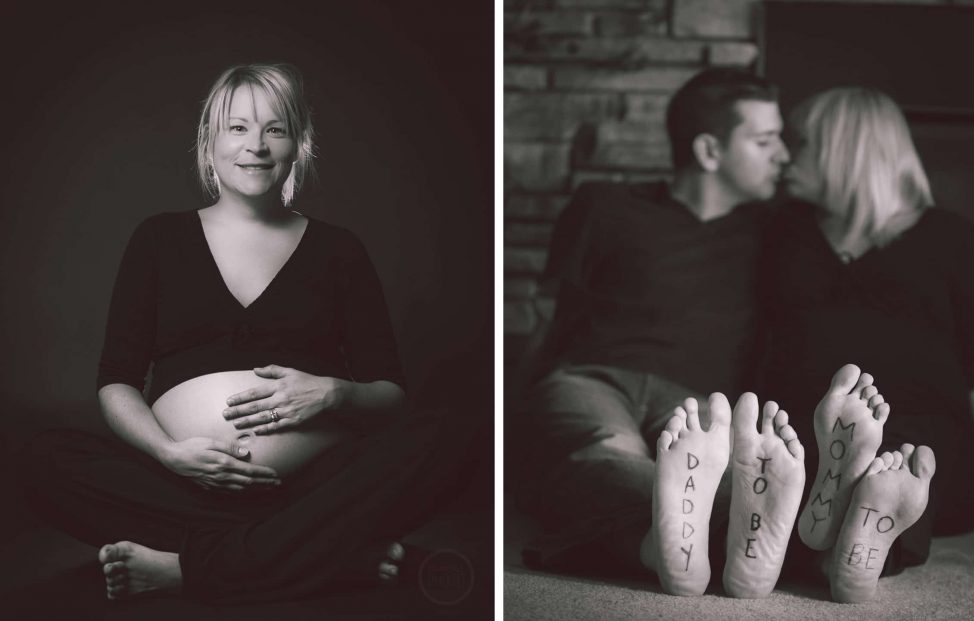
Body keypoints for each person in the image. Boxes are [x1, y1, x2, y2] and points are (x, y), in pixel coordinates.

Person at [20, 63, 463, 603]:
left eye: (275, 129)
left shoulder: (339, 251)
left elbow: (390, 395)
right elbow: (117, 381)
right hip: (181, 485)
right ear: (210, 142)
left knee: (452, 434)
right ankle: (330, 555)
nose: (256, 145)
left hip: (314, 487)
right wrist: (168, 454)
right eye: (238, 127)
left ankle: (194, 567)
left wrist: (334, 393)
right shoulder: (158, 239)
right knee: (42, 458)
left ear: (298, 143)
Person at [508, 68, 804, 598]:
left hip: (699, 401)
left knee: (704, 458)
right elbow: (548, 318)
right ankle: (710, 530)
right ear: (710, 150)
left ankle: (664, 540)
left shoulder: (777, 231)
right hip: (593, 378)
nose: (784, 155)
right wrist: (510, 418)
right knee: (606, 448)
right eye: (765, 140)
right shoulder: (604, 206)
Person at [760, 86, 974, 601]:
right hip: (810, 429)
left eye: (797, 143)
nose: (782, 157)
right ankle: (845, 550)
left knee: (901, 457)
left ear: (842, 148)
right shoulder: (784, 231)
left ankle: (859, 527)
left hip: (930, 438)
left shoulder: (952, 239)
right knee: (802, 457)